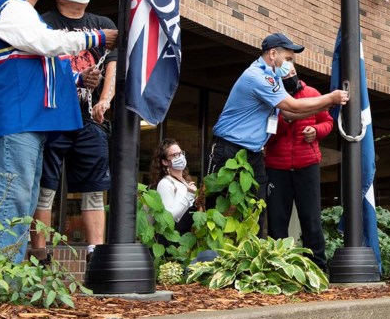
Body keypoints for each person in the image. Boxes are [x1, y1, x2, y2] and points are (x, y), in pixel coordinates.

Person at [0, 0, 116, 263]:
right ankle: (2, 277)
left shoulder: (24, 12)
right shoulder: (12, 7)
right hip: (16, 119)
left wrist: (78, 77)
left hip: (30, 121)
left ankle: (10, 274)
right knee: (13, 200)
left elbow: (42, 63)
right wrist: (96, 37)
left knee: (22, 201)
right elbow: (43, 42)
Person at [32, 0, 117, 263]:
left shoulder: (102, 25)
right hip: (53, 117)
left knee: (94, 188)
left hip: (88, 120)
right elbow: (40, 69)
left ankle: (96, 255)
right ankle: (40, 254)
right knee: (46, 186)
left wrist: (104, 100)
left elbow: (112, 68)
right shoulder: (44, 23)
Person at [208, 33, 349, 200]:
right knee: (210, 202)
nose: (290, 65)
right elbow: (292, 105)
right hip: (229, 149)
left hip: (253, 153)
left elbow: (288, 114)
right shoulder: (257, 76)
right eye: (288, 59)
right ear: (273, 54)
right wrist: (330, 98)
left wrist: (326, 105)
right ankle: (181, 227)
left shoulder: (274, 77)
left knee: (256, 207)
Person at [264, 64, 334, 270]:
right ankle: (279, 268)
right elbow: (266, 136)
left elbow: (328, 121)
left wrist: (316, 130)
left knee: (311, 218)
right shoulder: (271, 99)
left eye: (293, 73)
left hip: (307, 164)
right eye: (286, 76)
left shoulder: (312, 94)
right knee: (277, 220)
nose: (292, 78)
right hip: (277, 167)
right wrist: (286, 118)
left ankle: (318, 268)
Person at [150, 139, 197, 236]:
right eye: (175, 155)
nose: (180, 157)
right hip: (174, 237)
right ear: (165, 162)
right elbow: (169, 218)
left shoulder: (185, 182)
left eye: (181, 153)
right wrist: (189, 195)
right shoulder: (165, 183)